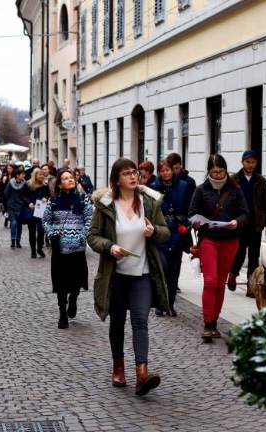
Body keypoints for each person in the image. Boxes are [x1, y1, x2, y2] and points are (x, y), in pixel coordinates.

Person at [87, 158, 170, 397]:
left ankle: (142, 374)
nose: (133, 177)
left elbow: (165, 232)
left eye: (135, 173)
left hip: (142, 273)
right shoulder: (106, 205)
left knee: (140, 321)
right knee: (117, 322)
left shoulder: (149, 202)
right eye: (127, 174)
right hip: (115, 275)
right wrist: (110, 246)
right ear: (117, 179)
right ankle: (118, 367)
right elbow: (92, 237)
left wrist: (153, 231)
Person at [189, 154, 248, 340]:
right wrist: (196, 223)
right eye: (214, 172)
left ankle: (214, 323)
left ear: (226, 170)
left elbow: (245, 213)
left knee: (220, 283)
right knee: (211, 281)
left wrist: (236, 222)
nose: (218, 175)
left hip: (230, 240)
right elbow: (191, 213)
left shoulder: (235, 189)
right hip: (209, 239)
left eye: (221, 171)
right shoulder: (201, 190)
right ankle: (207, 323)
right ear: (209, 172)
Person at [43, 169, 93, 329]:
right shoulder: (54, 201)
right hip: (59, 248)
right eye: (65, 178)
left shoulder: (82, 198)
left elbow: (89, 220)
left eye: (71, 177)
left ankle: (73, 299)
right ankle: (62, 314)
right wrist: (51, 233)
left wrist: (82, 236)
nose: (70, 180)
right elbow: (46, 220)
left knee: (76, 280)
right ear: (59, 183)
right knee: (60, 283)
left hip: (77, 248)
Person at [150, 159, 193, 317]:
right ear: (160, 172)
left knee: (175, 269)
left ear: (172, 171)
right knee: (162, 267)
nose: (166, 173)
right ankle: (160, 302)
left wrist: (187, 224)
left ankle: (170, 303)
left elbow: (190, 208)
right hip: (161, 232)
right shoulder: (154, 188)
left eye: (168, 170)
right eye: (163, 170)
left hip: (177, 231)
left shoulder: (183, 186)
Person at [228, 150, 266, 293]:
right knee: (239, 253)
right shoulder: (234, 180)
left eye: (253, 162)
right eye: (247, 162)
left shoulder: (261, 180)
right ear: (242, 162)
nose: (250, 165)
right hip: (240, 223)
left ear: (256, 163)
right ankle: (233, 274)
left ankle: (251, 286)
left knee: (254, 256)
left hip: (256, 223)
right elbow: (229, 202)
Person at [25, 168, 50, 258]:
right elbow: (24, 196)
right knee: (31, 231)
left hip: (41, 211)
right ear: (35, 175)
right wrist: (29, 202)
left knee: (41, 231)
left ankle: (39, 248)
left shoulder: (45, 185)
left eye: (43, 175)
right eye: (40, 174)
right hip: (31, 210)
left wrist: (45, 198)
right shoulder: (28, 184)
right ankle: (33, 251)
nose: (42, 176)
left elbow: (48, 195)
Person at [4, 167, 28, 249]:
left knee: (19, 225)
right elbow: (6, 193)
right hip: (12, 206)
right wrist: (8, 204)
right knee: (13, 223)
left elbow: (26, 195)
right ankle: (13, 241)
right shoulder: (10, 183)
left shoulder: (25, 184)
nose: (24, 176)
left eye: (24, 174)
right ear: (17, 175)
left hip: (21, 206)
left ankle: (18, 241)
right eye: (22, 174)